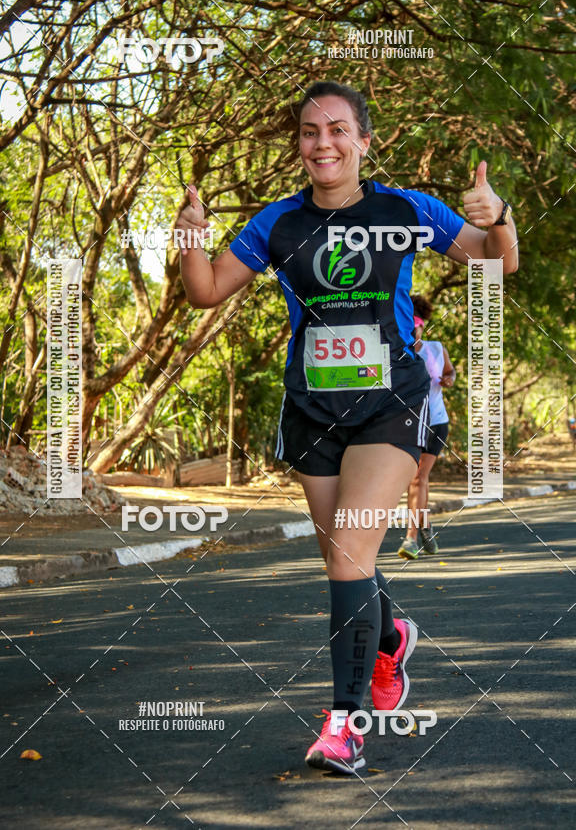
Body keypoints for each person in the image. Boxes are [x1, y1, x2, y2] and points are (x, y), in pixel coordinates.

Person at [178, 80, 518, 774]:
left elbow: (497, 258)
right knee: (345, 557)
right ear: (299, 145)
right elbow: (205, 290)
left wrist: (501, 213)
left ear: (365, 141)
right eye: (309, 132)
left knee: (346, 558)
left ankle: (345, 725)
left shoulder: (405, 209)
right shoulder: (277, 223)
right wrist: (189, 240)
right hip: (312, 411)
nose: (322, 143)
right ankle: (389, 633)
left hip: (390, 404)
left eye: (338, 130)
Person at [398, 295, 456, 559]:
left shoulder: (435, 348)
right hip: (408, 423)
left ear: (422, 326)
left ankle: (411, 538)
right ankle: (426, 526)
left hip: (436, 421)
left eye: (416, 326)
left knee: (418, 477)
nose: (413, 331)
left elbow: (451, 372)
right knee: (419, 478)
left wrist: (449, 379)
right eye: (407, 327)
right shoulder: (397, 352)